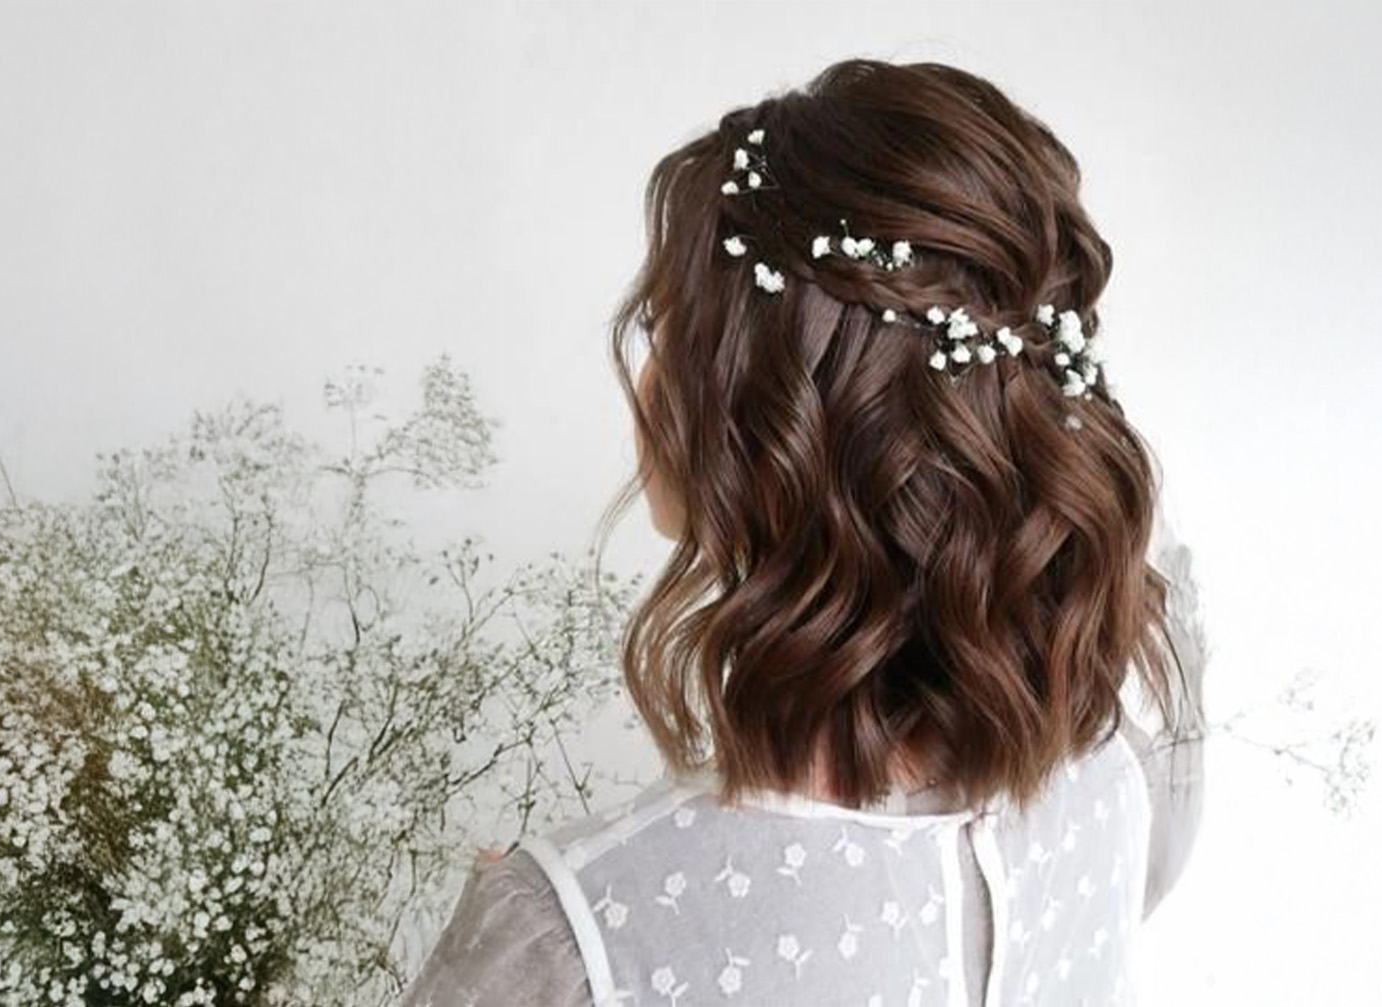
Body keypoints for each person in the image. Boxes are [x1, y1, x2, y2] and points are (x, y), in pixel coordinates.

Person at [402, 57, 1207, 1007]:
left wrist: (544, 945)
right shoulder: (1133, 756)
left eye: (671, 328)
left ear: (770, 422)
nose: (648, 378)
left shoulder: (579, 931)